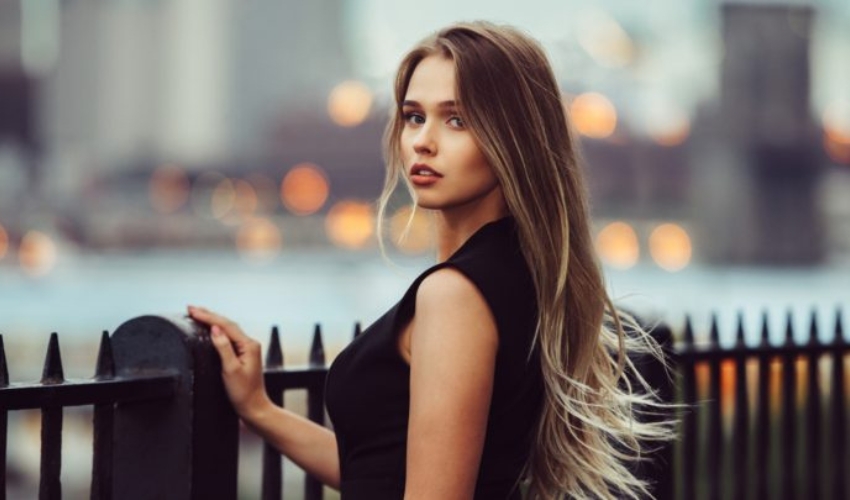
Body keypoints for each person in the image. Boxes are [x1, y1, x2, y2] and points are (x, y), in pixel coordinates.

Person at [188, 21, 671, 500]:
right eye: (414, 117)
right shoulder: (521, 273)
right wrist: (261, 410)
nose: (423, 141)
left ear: (514, 139)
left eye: (457, 119)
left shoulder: (455, 295)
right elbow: (384, 471)